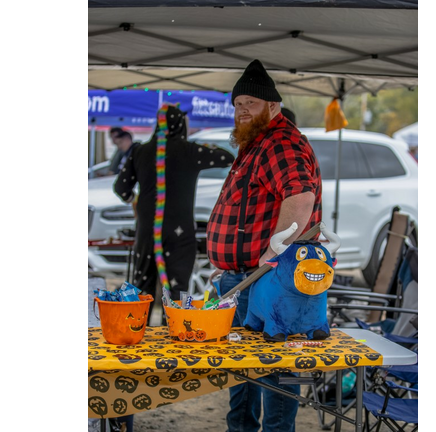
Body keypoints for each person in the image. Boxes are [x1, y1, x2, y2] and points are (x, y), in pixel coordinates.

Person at [206, 59, 322, 432]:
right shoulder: (257, 141)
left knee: (273, 368)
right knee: (244, 369)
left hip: (266, 280)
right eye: (237, 104)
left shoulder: (278, 142)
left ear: (271, 106)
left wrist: (274, 253)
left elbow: (300, 198)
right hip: (242, 278)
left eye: (250, 104)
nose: (241, 111)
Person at [114, 103, 235, 321]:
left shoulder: (140, 151)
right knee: (177, 291)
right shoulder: (189, 151)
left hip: (147, 232)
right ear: (180, 125)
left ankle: (138, 336)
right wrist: (195, 145)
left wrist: (135, 200)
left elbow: (121, 187)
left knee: (142, 287)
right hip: (179, 233)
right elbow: (226, 157)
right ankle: (173, 336)